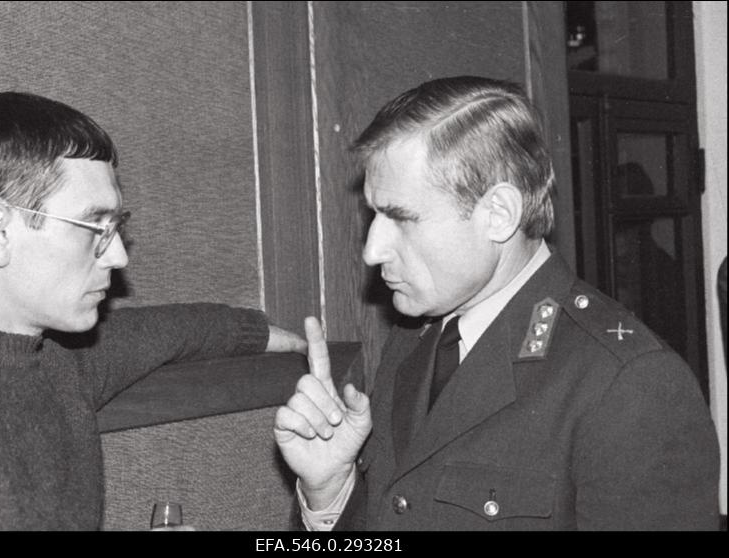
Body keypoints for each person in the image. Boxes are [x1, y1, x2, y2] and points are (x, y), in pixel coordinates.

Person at [274, 76, 720, 530]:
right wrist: (330, 492)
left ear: (499, 214)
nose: (372, 250)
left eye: (401, 218)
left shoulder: (629, 385)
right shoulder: (413, 342)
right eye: (374, 214)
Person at [0, 91, 306, 530]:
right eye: (95, 226)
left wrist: (261, 333)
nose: (119, 256)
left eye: (116, 228)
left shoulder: (55, 361)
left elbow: (166, 331)